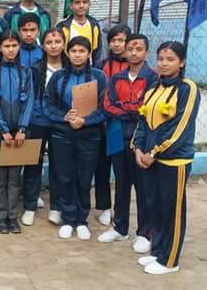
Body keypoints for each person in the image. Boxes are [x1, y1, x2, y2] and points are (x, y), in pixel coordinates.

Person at [132, 41, 200, 275]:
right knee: (155, 206)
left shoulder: (188, 89)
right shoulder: (153, 88)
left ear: (181, 62)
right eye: (161, 58)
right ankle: (158, 251)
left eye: (170, 59)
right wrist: (138, 148)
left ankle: (170, 260)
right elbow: (142, 121)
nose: (164, 63)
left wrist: (154, 152)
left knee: (172, 210)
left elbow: (179, 128)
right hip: (150, 160)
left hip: (174, 161)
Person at [44, 36, 107, 241]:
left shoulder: (98, 76)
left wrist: (85, 121)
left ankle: (81, 220)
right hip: (62, 133)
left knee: (84, 177)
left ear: (89, 54)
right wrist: (64, 117)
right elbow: (47, 103)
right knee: (64, 177)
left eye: (82, 51)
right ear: (68, 53)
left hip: (89, 135)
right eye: (74, 51)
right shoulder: (58, 76)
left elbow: (105, 107)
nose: (77, 55)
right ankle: (68, 219)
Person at [99, 34, 158, 251]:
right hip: (119, 137)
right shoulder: (117, 78)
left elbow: (147, 108)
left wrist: (128, 108)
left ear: (146, 52)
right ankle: (120, 227)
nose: (134, 52)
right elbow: (108, 105)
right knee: (121, 184)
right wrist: (132, 110)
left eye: (139, 49)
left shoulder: (153, 78)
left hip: (142, 140)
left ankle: (144, 232)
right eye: (130, 48)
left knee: (143, 188)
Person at [0, 30, 34, 234]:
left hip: (20, 132)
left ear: (19, 47)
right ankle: (0, 216)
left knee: (14, 177)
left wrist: (22, 128)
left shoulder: (25, 71)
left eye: (14, 46)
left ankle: (12, 216)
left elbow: (29, 100)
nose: (11, 49)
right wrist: (3, 129)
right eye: (7, 46)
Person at [23, 29, 68, 226]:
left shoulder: (69, 68)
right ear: (43, 45)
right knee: (33, 165)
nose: (53, 45)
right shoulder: (35, 69)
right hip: (38, 122)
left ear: (64, 44)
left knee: (59, 166)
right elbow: (30, 97)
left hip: (61, 123)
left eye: (57, 41)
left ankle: (56, 207)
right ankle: (29, 206)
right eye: (49, 42)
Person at [93, 24, 131, 227]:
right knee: (101, 166)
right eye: (113, 40)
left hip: (121, 125)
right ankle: (104, 207)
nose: (117, 44)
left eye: (121, 40)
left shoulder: (134, 67)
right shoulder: (101, 65)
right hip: (101, 122)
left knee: (121, 170)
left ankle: (120, 210)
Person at [56, 0, 102, 64]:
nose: (81, 6)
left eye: (85, 2)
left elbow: (96, 51)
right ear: (71, 6)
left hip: (88, 67)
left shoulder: (94, 25)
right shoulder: (62, 26)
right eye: (77, 3)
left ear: (89, 4)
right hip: (67, 66)